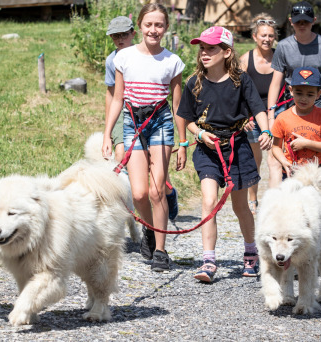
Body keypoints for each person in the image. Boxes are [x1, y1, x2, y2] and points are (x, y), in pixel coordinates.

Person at [176, 26, 271, 283]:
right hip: (208, 148)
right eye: (202, 48)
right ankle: (208, 261)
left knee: (240, 206)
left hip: (237, 147)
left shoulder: (241, 81)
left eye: (211, 48)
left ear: (227, 52)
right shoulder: (194, 82)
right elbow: (186, 118)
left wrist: (266, 130)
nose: (204, 53)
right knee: (208, 201)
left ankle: (251, 253)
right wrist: (197, 135)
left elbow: (258, 108)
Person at [102, 3, 186, 272]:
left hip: (160, 122)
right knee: (138, 193)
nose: (153, 29)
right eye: (148, 24)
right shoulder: (123, 58)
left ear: (166, 28)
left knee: (156, 189)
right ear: (139, 26)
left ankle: (161, 250)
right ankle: (149, 230)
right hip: (132, 122)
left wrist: (182, 143)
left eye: (159, 25)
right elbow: (117, 99)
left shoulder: (172, 61)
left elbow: (178, 107)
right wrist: (107, 134)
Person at [104, 16, 180, 222]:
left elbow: (174, 100)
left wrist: (182, 139)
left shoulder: (164, 59)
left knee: (157, 172)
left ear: (132, 34)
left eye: (123, 35)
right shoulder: (113, 60)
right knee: (122, 157)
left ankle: (165, 192)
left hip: (156, 116)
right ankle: (137, 203)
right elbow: (112, 95)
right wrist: (108, 131)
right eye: (115, 37)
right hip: (125, 114)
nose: (120, 40)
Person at [267, 0, 321, 187]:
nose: (302, 25)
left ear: (313, 21)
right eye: (298, 21)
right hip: (292, 103)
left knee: (314, 148)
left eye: (306, 21)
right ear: (291, 21)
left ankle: (315, 184)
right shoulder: (283, 46)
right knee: (291, 150)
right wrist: (270, 113)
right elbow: (276, 81)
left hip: (319, 103)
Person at [240, 13, 285, 214]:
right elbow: (240, 93)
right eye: (263, 35)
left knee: (274, 159)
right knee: (255, 159)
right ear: (254, 37)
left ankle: (274, 202)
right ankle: (252, 198)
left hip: (278, 112)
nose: (267, 39)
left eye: (271, 36)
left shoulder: (280, 58)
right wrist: (245, 118)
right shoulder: (245, 60)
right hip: (253, 116)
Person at [271, 66, 321, 177]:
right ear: (291, 91)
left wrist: (307, 143)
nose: (304, 98)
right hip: (291, 173)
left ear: (318, 94)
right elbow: (276, 147)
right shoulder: (282, 117)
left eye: (310, 94)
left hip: (316, 173)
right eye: (299, 93)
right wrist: (283, 162)